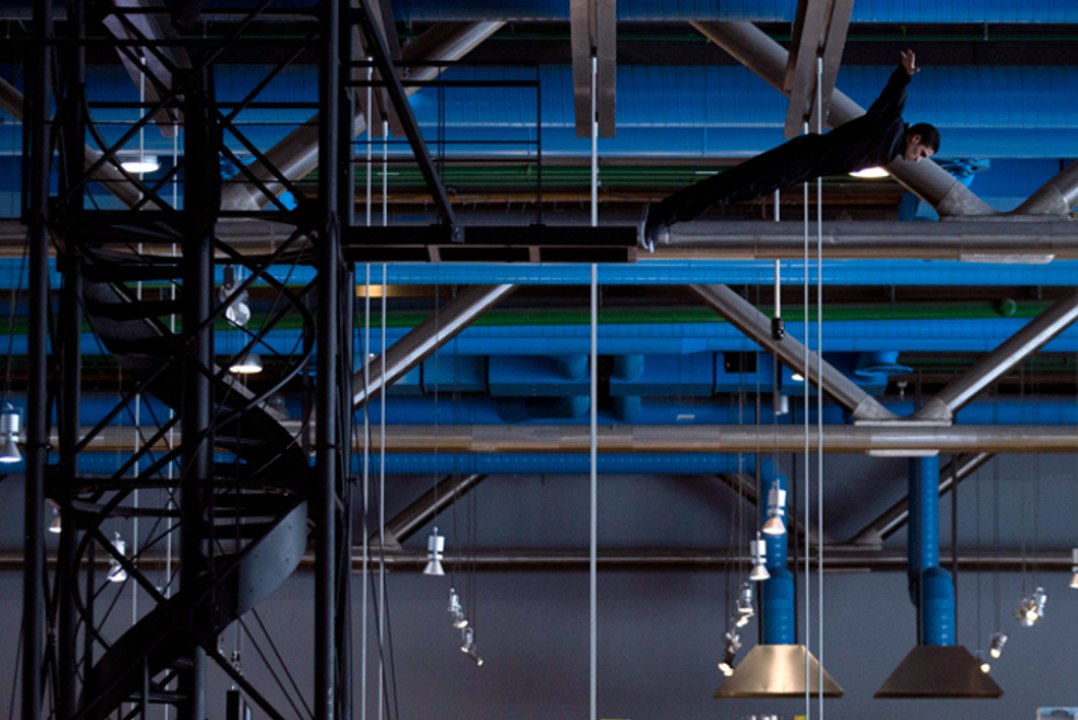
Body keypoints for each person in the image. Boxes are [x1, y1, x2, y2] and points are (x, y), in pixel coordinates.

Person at [642, 49, 939, 248]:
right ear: (915, 138)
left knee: (734, 188)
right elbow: (892, 99)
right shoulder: (891, 126)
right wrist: (905, 74)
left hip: (803, 167)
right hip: (805, 157)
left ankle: (666, 215)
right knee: (731, 186)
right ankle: (661, 215)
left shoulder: (889, 150)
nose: (918, 160)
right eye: (923, 153)